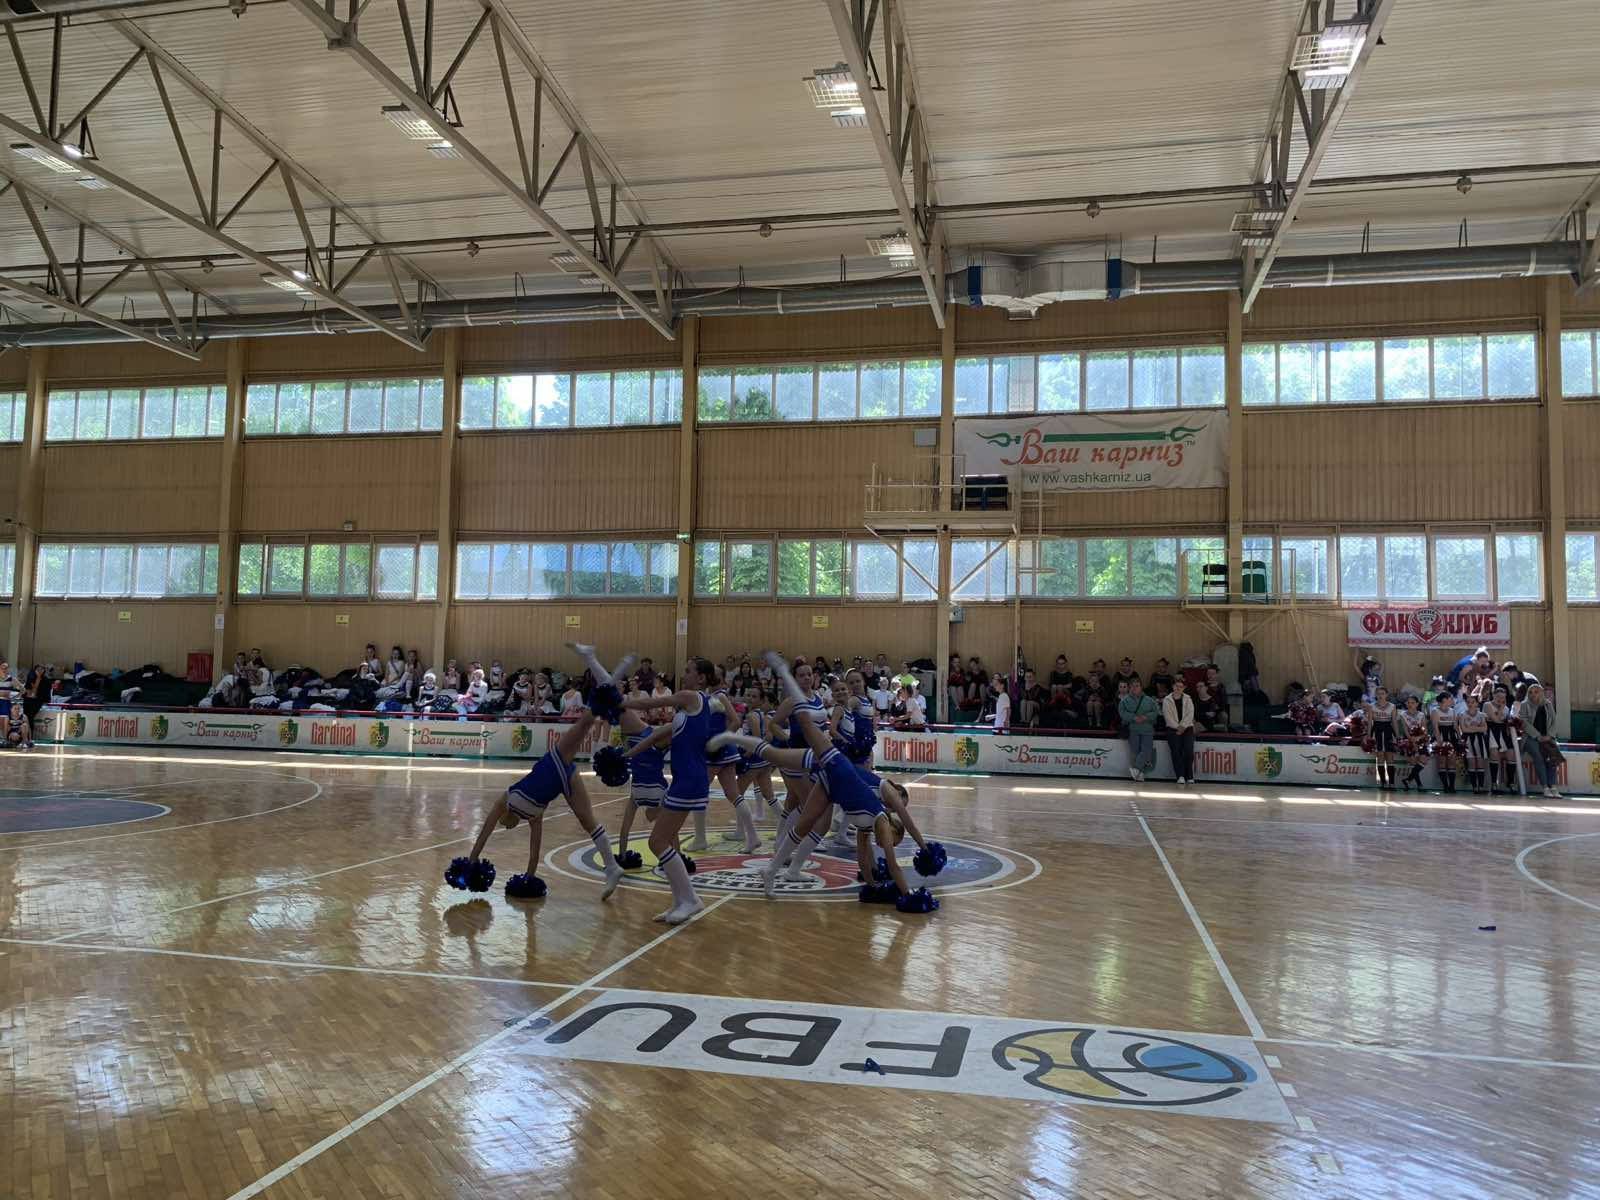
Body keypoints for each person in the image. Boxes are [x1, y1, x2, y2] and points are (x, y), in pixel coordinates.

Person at [727, 653, 932, 905]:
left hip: (829, 779)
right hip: (833, 763)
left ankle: (772, 870)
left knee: (806, 823)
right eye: (890, 840)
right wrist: (910, 892)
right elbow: (896, 859)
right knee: (791, 736)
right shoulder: (883, 814)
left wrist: (873, 886)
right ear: (891, 828)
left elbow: (864, 859)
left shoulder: (866, 830)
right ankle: (780, 675)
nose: (885, 843)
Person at [455, 651, 626, 904]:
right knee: (587, 820)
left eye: (503, 824)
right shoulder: (534, 817)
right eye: (506, 826)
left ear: (503, 816)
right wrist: (529, 878)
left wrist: (471, 861)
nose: (506, 826)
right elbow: (534, 853)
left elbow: (483, 835)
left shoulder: (505, 800)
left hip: (554, 760)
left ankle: (600, 665)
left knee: (585, 722)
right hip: (566, 777)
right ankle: (612, 867)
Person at [618, 655, 726, 924]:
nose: (684, 674)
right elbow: (655, 736)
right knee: (662, 840)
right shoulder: (688, 711)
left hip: (688, 780)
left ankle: (690, 899)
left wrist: (620, 703)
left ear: (701, 677)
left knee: (657, 842)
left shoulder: (691, 697)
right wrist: (625, 756)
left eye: (688, 670)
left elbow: (649, 703)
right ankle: (680, 900)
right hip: (685, 779)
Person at [1518, 683, 1563, 799]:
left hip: (1547, 736)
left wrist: (1550, 735)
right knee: (1538, 755)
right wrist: (1538, 736)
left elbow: (1554, 721)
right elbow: (1523, 723)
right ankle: (1545, 787)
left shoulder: (1548, 704)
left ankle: (1553, 786)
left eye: (1536, 692)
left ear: (1541, 693)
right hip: (1530, 737)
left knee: (1552, 754)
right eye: (1530, 692)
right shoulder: (1524, 705)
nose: (1533, 694)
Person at [1120, 678, 1159, 782]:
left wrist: (1146, 717)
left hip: (1147, 729)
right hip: (1133, 729)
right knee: (1135, 752)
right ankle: (1139, 774)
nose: (1134, 688)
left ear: (1141, 687)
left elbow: (1155, 712)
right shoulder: (1125, 701)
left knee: (1146, 750)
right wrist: (1133, 717)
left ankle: (1136, 769)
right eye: (1132, 686)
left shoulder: (1149, 700)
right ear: (1129, 688)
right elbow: (1122, 713)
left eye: (1137, 685)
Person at [1430, 682, 1463, 793]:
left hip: (1451, 737)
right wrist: (1439, 741)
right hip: (1441, 736)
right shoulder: (1435, 711)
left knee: (1452, 761)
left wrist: (1460, 738)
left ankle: (1452, 786)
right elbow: (1435, 727)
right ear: (1444, 700)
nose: (1452, 700)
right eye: (1450, 699)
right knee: (1442, 762)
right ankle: (1445, 786)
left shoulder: (1453, 711)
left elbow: (1455, 727)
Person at [1162, 678, 1196, 784]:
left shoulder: (1188, 699)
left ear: (1184, 688)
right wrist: (1178, 727)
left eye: (1181, 687)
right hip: (1172, 729)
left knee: (1188, 751)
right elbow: (1167, 716)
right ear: (1173, 687)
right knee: (1176, 752)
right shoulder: (1167, 700)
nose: (1178, 688)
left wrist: (1183, 727)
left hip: (1187, 728)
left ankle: (1189, 776)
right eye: (1176, 686)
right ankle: (1180, 776)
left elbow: (1190, 714)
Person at [1484, 685, 1517, 794]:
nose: (1500, 699)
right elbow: (1496, 720)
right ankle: (1494, 783)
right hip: (1492, 731)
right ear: (1493, 695)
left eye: (1503, 697)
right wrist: (1501, 709)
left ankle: (1511, 782)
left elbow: (1505, 721)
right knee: (1494, 754)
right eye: (1498, 697)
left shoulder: (1507, 708)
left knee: (1511, 754)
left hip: (1503, 732)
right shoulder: (1487, 705)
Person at [1364, 686, 1398, 790]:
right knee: (1380, 756)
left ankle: (1392, 783)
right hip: (1377, 730)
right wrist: (1369, 735)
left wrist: (1397, 736)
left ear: (1386, 695)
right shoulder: (1371, 706)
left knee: (1389, 756)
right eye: (1378, 693)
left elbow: (1394, 722)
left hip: (1388, 731)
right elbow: (1370, 722)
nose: (1380, 695)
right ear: (1376, 695)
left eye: (1382, 693)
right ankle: (1383, 782)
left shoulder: (1392, 706)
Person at [1397, 695, 1430, 791]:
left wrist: (1419, 738)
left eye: (1412, 703)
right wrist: (1412, 740)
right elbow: (1405, 730)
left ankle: (1408, 780)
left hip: (1421, 739)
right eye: (1408, 703)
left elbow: (1425, 729)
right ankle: (1419, 785)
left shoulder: (1421, 715)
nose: (1410, 704)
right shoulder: (1403, 715)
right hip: (1409, 740)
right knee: (1413, 762)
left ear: (1417, 704)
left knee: (1424, 759)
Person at [1459, 693, 1489, 794]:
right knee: (1471, 763)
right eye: (1468, 702)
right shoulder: (1462, 715)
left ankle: (1481, 786)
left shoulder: (1481, 715)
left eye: (1473, 702)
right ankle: (1474, 787)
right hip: (1468, 741)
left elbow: (1485, 728)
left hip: (1479, 741)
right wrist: (1477, 728)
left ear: (1477, 703)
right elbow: (1464, 730)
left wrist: (1471, 728)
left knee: (1480, 763)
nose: (1470, 704)